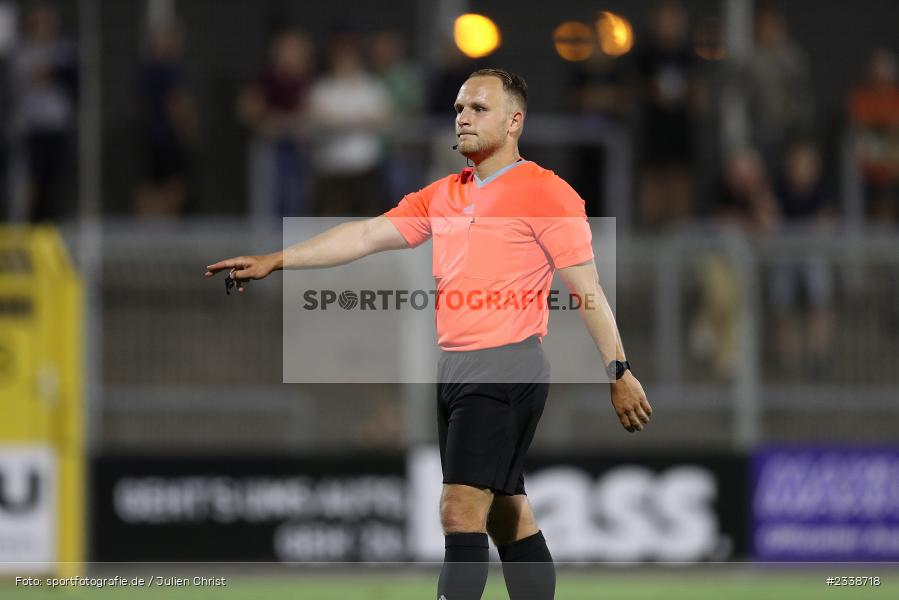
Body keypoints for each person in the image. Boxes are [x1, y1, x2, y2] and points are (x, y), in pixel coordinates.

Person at [206, 68, 651, 600]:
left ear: (515, 122)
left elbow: (588, 290)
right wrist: (276, 260)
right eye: (460, 107)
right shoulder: (445, 194)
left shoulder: (545, 193)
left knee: (459, 507)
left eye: (479, 108)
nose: (463, 116)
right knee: (508, 513)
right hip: (459, 367)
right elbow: (367, 233)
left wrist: (618, 371)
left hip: (506, 364)